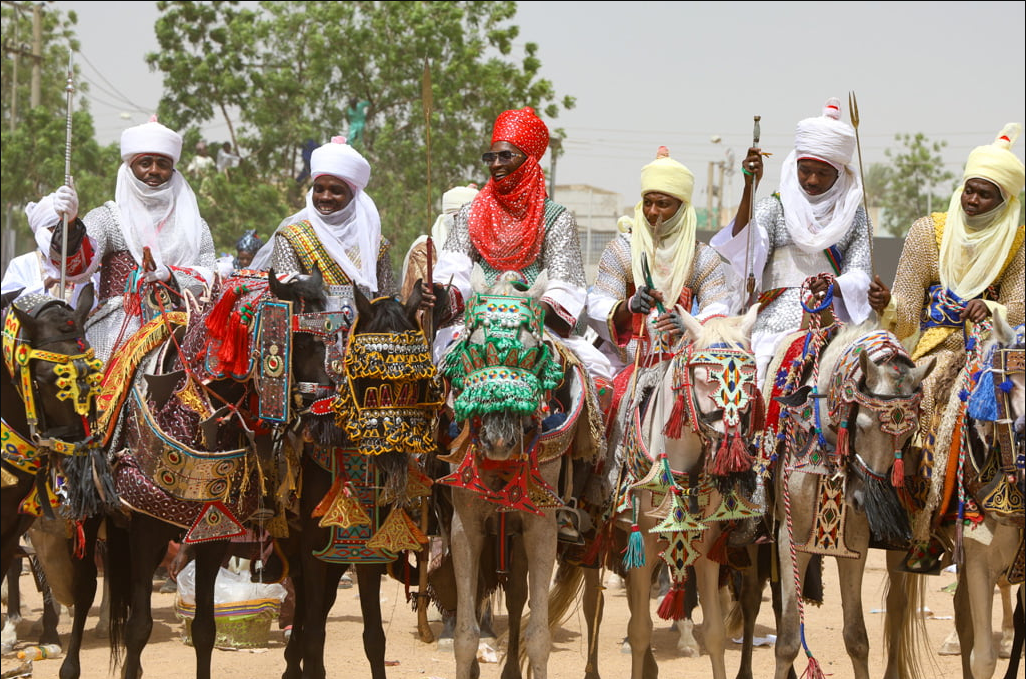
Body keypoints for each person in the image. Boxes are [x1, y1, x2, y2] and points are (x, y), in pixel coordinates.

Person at [868, 123, 1024, 558]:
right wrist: (887, 304)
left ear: (1005, 201)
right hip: (935, 351)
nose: (972, 200)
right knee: (897, 407)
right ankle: (906, 515)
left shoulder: (1018, 243)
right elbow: (905, 309)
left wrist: (991, 309)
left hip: (993, 351)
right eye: (969, 189)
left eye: (985, 195)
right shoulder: (929, 232)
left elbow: (1019, 307)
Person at [427, 106, 612, 385]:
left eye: (505, 156)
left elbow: (565, 283)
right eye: (491, 156)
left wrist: (527, 312)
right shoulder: (471, 213)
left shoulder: (556, 217)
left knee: (598, 376)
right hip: (476, 321)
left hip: (535, 322)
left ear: (528, 161)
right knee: (432, 374)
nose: (495, 164)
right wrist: (440, 292)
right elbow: (455, 271)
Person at [711, 97, 873, 388]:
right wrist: (749, 187)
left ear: (839, 174)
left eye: (823, 173)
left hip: (832, 319)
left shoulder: (856, 217)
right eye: (804, 170)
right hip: (773, 321)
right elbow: (745, 248)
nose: (812, 180)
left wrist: (833, 285)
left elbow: (860, 274)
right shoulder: (776, 206)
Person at [34, 117, 216, 364]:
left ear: (172, 169)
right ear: (131, 167)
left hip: (185, 325)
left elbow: (212, 279)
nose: (154, 170)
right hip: (118, 327)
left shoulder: (195, 225)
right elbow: (78, 268)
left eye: (162, 164)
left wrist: (171, 276)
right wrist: (71, 224)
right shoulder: (109, 217)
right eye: (145, 163)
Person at [587, 145, 738, 374]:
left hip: (679, 364)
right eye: (648, 202)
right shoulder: (622, 249)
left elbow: (719, 311)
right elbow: (598, 304)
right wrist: (629, 306)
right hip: (622, 363)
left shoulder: (702, 257)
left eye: (663, 204)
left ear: (681, 208)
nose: (652, 212)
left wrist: (690, 325)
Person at [263, 136, 396, 299]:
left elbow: (388, 298)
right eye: (319, 190)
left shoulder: (373, 243)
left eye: (336, 191)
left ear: (353, 196)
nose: (325, 197)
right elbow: (286, 298)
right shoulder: (291, 239)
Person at [399, 183, 479, 303]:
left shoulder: (486, 250)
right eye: (458, 218)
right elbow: (423, 299)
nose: (462, 225)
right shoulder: (425, 249)